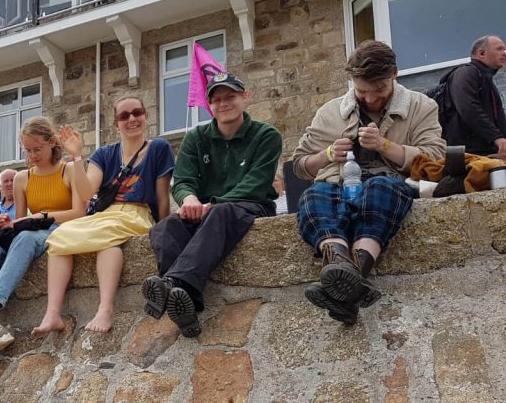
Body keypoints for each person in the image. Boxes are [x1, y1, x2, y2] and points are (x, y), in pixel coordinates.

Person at [293, 40, 445, 325]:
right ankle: (345, 274)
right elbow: (300, 165)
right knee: (315, 196)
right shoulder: (329, 112)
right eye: (362, 91)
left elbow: (435, 161)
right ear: (351, 81)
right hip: (334, 185)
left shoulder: (421, 106)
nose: (371, 99)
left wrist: (385, 145)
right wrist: (327, 154)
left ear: (394, 75)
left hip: (387, 185)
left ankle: (346, 282)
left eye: (379, 91)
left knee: (380, 189)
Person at [143, 73, 282, 337]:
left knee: (221, 211)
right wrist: (189, 199)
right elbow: (182, 180)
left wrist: (212, 203)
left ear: (244, 97)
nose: (223, 103)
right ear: (209, 105)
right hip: (207, 208)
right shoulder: (196, 137)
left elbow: (256, 182)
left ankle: (171, 282)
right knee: (165, 227)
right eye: (216, 99)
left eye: (230, 96)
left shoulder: (266, 135)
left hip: (250, 206)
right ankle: (184, 301)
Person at [34, 97, 174, 335]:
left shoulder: (159, 148)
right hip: (104, 216)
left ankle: (105, 309)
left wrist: (163, 229)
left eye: (136, 112)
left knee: (107, 239)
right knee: (59, 238)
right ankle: (53, 313)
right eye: (124, 116)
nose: (131, 119)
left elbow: (162, 197)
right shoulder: (104, 154)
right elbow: (87, 192)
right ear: (115, 123)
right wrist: (77, 158)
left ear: (145, 115)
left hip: (136, 213)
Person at [0, 116, 87, 357]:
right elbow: (20, 222)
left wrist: (42, 215)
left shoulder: (67, 171)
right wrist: (8, 221)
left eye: (37, 149)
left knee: (25, 239)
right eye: (28, 150)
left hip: (58, 229)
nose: (33, 155)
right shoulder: (23, 178)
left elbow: (79, 212)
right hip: (31, 231)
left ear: (52, 143)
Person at [442, 35, 506, 155]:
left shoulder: (487, 81)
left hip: (485, 153)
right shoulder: (467, 73)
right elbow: (468, 107)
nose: (504, 53)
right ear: (481, 53)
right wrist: (496, 137)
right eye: (499, 49)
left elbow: (500, 118)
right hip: (467, 155)